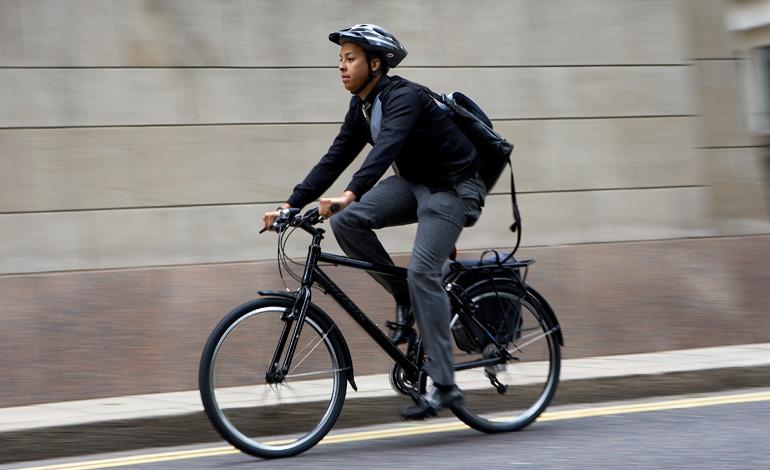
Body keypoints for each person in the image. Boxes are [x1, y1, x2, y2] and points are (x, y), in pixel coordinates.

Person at [262, 24, 486, 420]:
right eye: (340, 60)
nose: (342, 68)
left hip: (454, 188)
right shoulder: (362, 107)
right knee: (348, 224)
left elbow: (386, 149)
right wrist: (290, 204)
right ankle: (406, 298)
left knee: (422, 272)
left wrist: (348, 195)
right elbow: (335, 157)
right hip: (415, 183)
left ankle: (447, 385)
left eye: (350, 59)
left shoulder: (404, 97)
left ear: (376, 63)